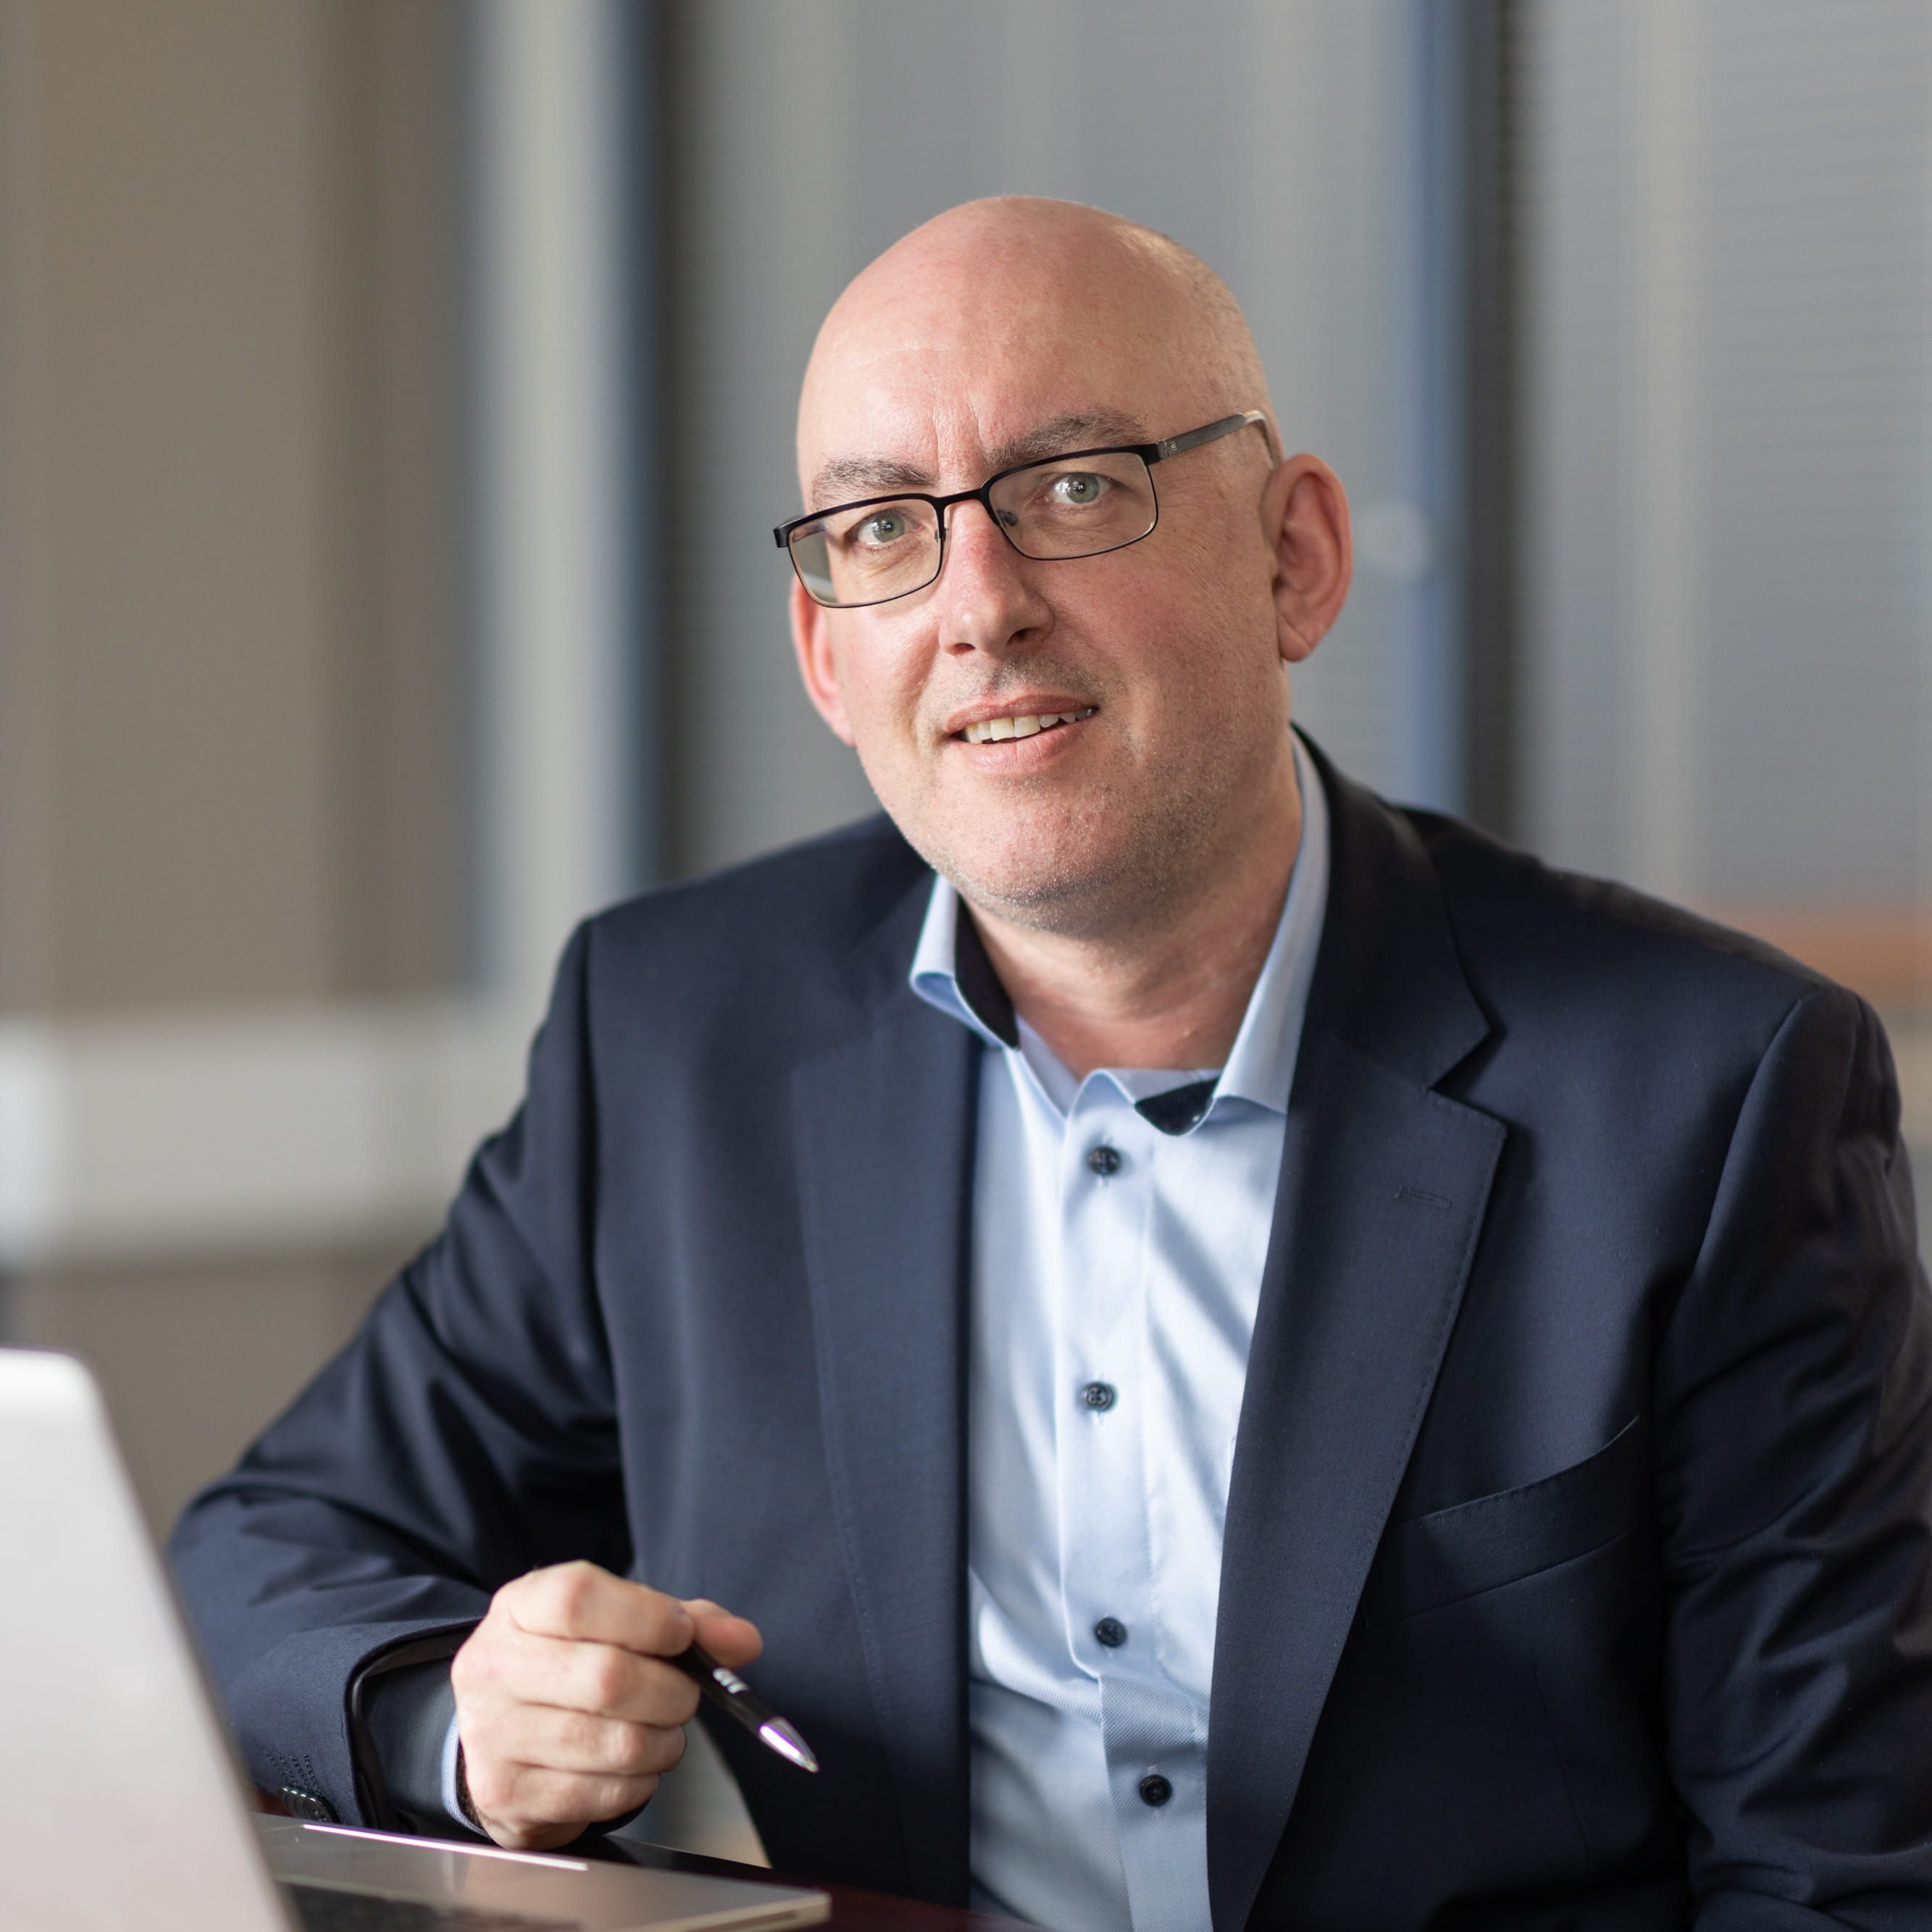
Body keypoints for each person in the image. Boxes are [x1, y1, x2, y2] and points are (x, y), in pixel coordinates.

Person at [173, 198, 1932, 1931]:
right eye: (879, 530)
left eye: (1075, 491)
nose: (978, 605)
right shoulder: (676, 1034)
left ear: (1292, 556)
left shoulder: (1714, 1091)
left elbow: (1833, 1876)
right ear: (823, 656)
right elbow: (268, 1548)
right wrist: (459, 1720)